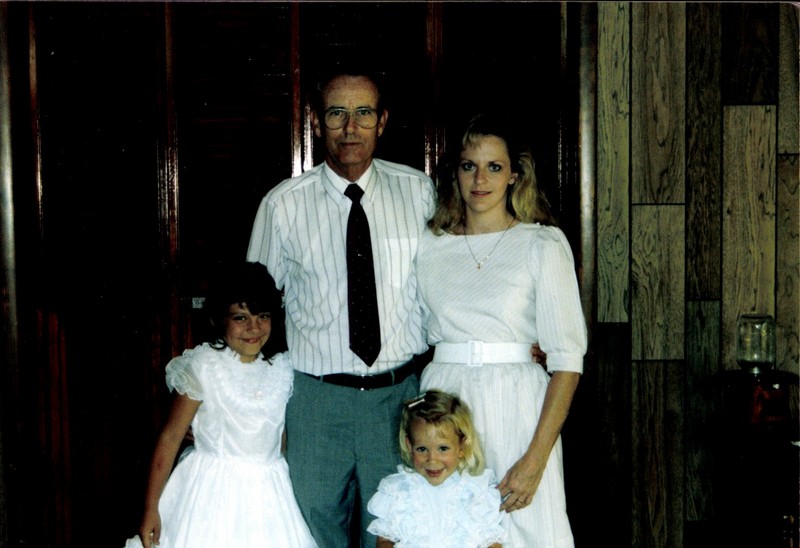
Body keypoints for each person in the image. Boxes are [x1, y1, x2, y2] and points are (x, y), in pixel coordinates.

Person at [246, 65, 435, 548]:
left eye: (363, 113)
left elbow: (451, 282)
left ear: (382, 121)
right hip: (315, 403)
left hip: (399, 399)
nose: (350, 128)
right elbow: (250, 307)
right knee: (312, 533)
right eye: (336, 114)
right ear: (316, 121)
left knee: (397, 535)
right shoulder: (282, 205)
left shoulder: (419, 193)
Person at [416, 113, 588, 547]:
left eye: (494, 167)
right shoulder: (430, 244)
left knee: (524, 529)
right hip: (445, 402)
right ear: (454, 172)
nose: (480, 180)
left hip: (518, 405)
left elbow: (567, 362)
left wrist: (535, 460)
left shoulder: (541, 243)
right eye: (468, 166)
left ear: (514, 174)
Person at [124, 261, 317, 548]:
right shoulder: (204, 366)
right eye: (241, 318)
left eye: (262, 316)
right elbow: (170, 437)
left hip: (268, 498)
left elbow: (281, 439)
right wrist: (150, 507)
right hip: (212, 495)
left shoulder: (282, 370)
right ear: (218, 320)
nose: (253, 327)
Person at [367, 389, 506, 548]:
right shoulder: (399, 490)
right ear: (409, 446)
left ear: (462, 446)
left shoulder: (474, 491)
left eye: (443, 448)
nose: (432, 460)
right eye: (422, 449)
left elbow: (492, 541)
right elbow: (384, 540)